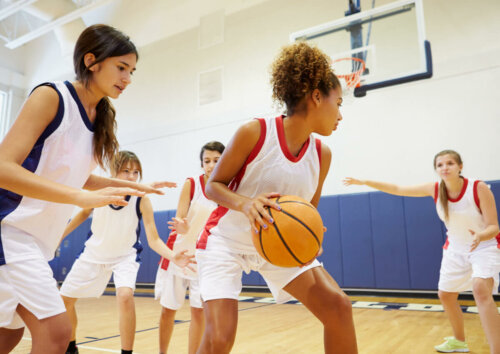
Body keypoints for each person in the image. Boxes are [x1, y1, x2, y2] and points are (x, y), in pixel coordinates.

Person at [0, 24, 168, 354]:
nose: (128, 78)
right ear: (92, 61)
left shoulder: (98, 118)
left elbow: (78, 176)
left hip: (35, 240)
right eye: (122, 68)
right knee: (57, 332)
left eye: (131, 71)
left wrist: (134, 187)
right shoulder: (51, 96)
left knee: (7, 336)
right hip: (9, 231)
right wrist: (79, 197)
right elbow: (4, 169)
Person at [194, 42, 358, 354]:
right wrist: (246, 203)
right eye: (338, 103)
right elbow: (213, 186)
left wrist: (310, 235)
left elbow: (308, 209)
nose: (340, 115)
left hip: (275, 243)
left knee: (338, 307)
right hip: (226, 242)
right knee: (219, 339)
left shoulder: (322, 154)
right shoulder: (255, 132)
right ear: (316, 97)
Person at [344, 149, 500, 353]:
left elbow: (494, 227)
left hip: (484, 246)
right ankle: (459, 341)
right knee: (445, 295)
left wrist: (480, 236)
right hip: (455, 248)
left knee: (480, 290)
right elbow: (398, 188)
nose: (445, 167)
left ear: (460, 166)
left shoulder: (478, 188)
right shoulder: (435, 189)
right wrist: (365, 182)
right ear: (436, 169)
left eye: (450, 163)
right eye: (440, 165)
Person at [60, 150, 195, 354]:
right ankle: (71, 347)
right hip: (94, 254)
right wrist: (59, 236)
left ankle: (126, 352)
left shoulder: (142, 200)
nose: (131, 177)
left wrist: (173, 256)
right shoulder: (101, 192)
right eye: (126, 171)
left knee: (125, 295)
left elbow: (154, 239)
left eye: (135, 172)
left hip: (125, 256)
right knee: (65, 301)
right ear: (114, 171)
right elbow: (82, 214)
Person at [155, 141, 225, 354]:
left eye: (216, 160)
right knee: (168, 310)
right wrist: (182, 225)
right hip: (179, 254)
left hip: (203, 259)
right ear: (201, 163)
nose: (211, 165)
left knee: (198, 312)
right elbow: (180, 221)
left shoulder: (228, 188)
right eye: (207, 161)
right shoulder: (192, 184)